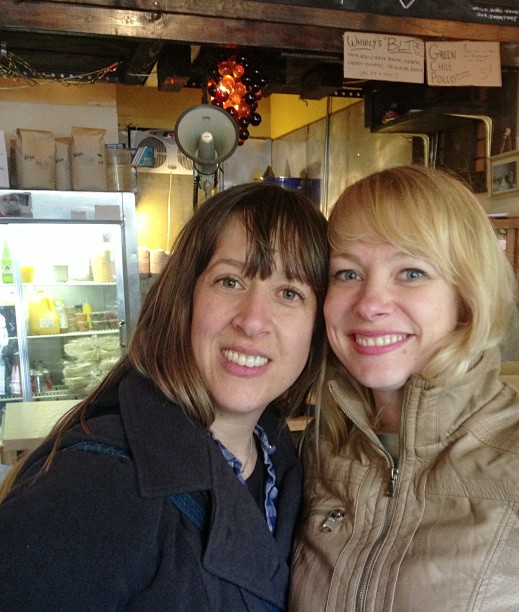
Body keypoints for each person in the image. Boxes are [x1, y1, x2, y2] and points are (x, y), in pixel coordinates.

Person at [290, 165, 519, 610]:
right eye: (347, 273)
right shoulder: (317, 457)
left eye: (411, 272)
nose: (370, 303)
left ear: (466, 296)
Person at [0, 182, 329, 611]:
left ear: (317, 329)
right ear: (184, 298)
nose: (253, 321)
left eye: (290, 294)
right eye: (229, 281)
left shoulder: (284, 462)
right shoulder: (94, 487)